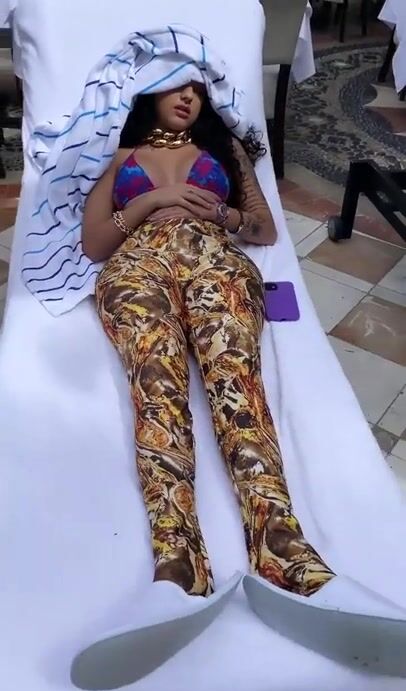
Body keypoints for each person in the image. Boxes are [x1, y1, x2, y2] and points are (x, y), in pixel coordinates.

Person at [82, 81, 335, 601]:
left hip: (215, 259)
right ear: (150, 93)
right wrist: (154, 199)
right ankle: (177, 562)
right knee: (157, 386)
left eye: (198, 90)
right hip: (138, 266)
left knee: (237, 385)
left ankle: (283, 548)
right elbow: (94, 244)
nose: (188, 98)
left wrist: (218, 213)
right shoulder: (121, 154)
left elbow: (264, 230)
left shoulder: (224, 149)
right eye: (176, 87)